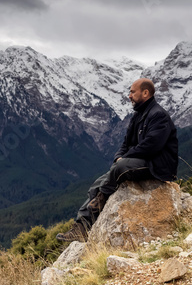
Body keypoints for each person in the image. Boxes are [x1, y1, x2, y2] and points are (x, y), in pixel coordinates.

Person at [56, 78, 178, 242]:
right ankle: (81, 227)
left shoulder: (158, 115)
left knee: (120, 168)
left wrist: (124, 159)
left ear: (145, 93)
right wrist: (118, 157)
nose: (129, 96)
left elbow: (151, 146)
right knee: (99, 182)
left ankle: (101, 198)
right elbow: (125, 144)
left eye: (132, 92)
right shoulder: (137, 116)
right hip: (139, 162)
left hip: (158, 166)